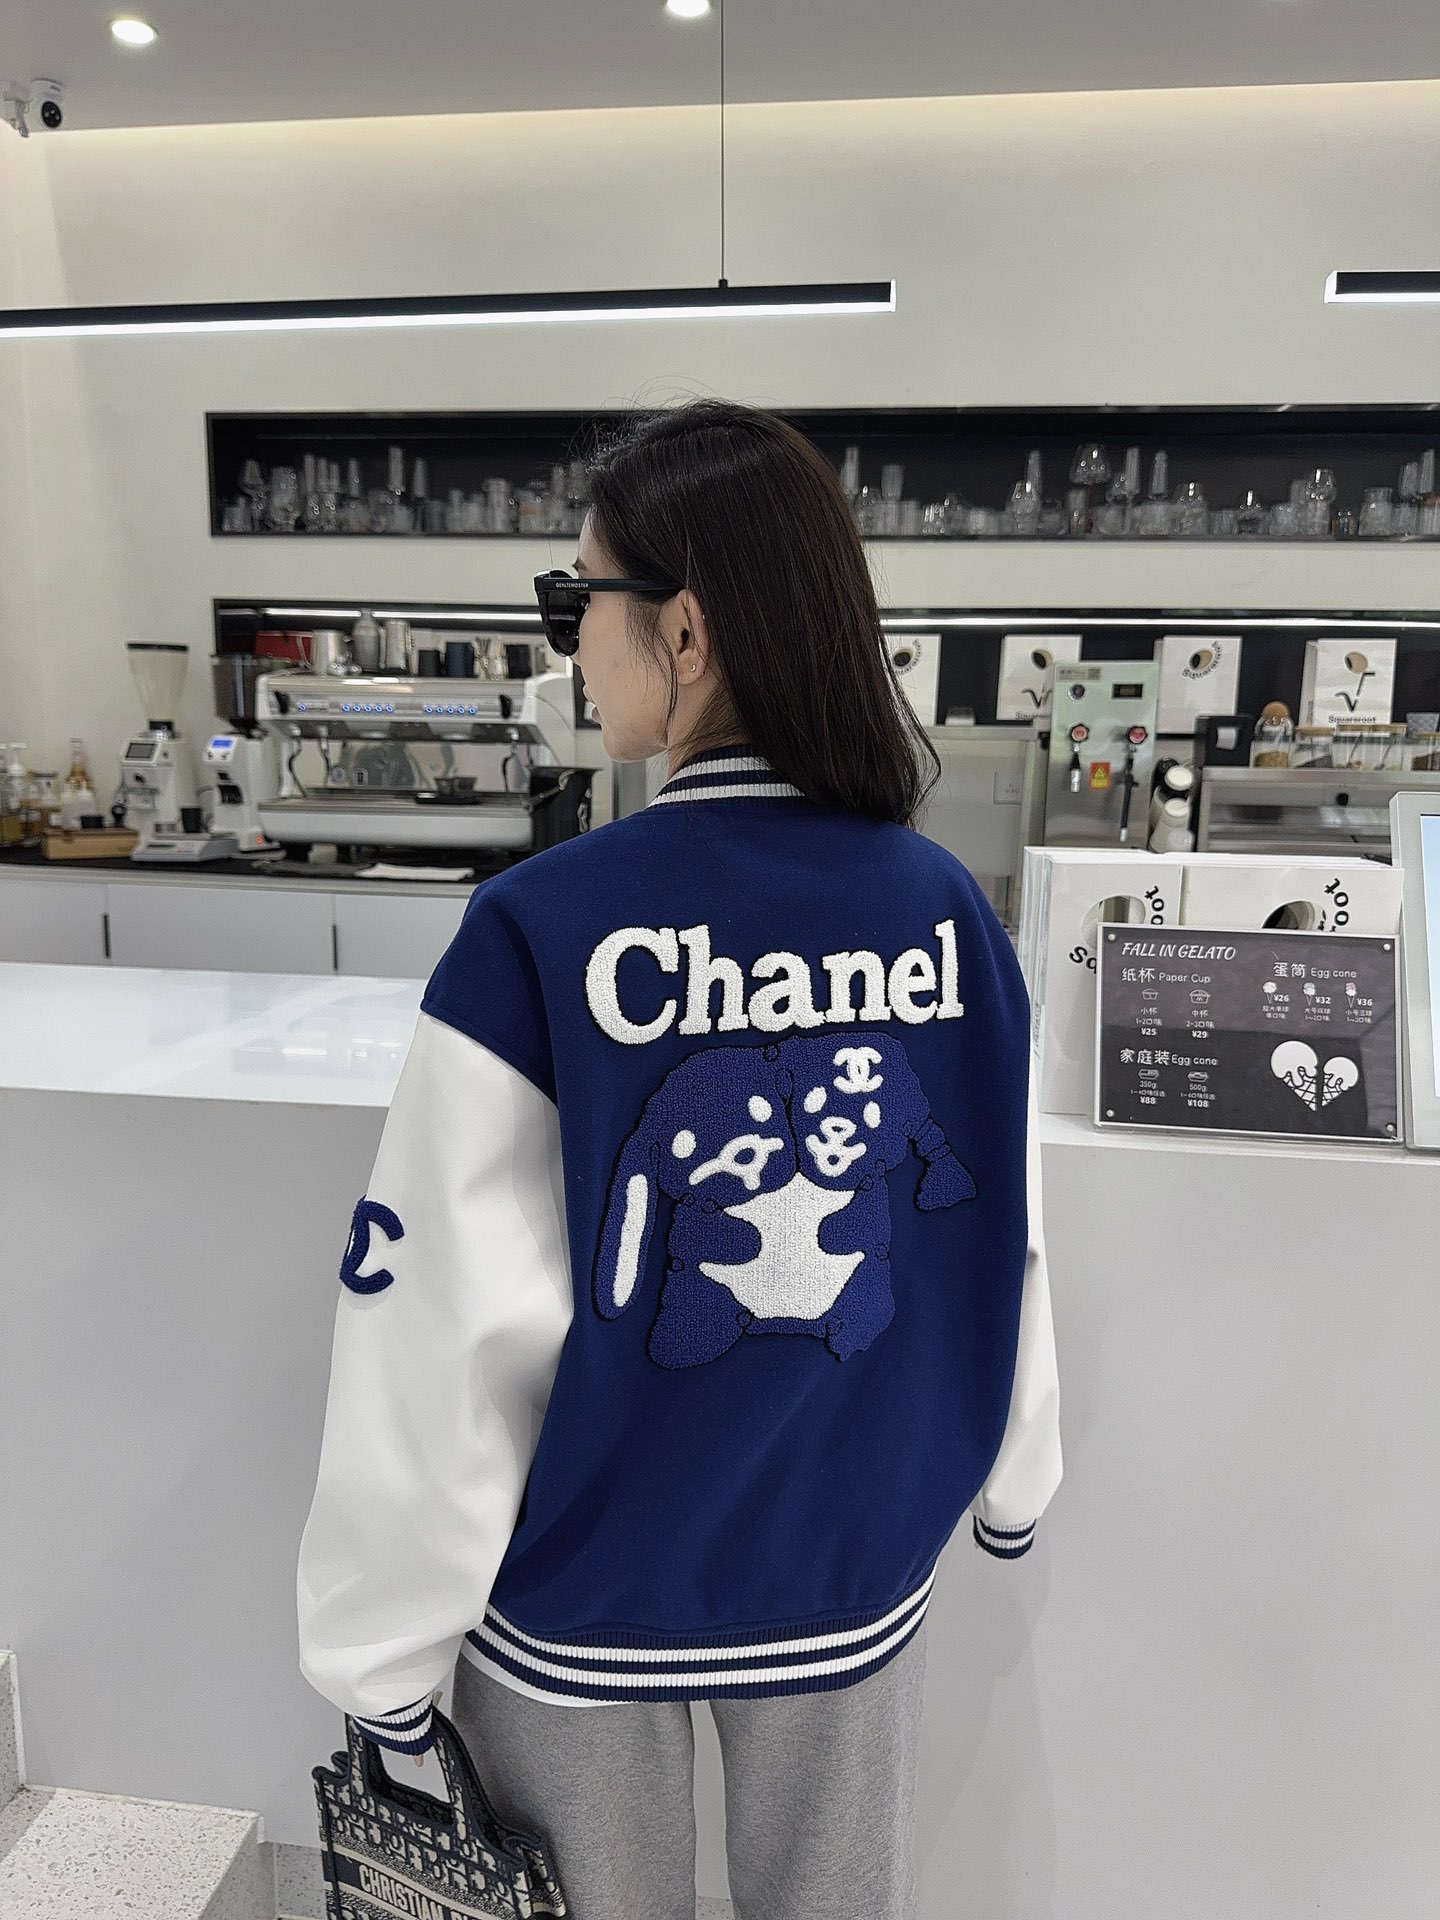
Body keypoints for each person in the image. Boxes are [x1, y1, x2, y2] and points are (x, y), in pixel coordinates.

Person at [296, 399, 1062, 1920]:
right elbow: (1003, 1230)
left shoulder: (540, 930)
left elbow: (439, 1314)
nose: (570, 643)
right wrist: (1017, 1476)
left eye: (576, 598)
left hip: (588, 1586)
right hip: (851, 1560)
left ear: (687, 630)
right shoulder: (946, 916)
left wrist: (379, 1658)